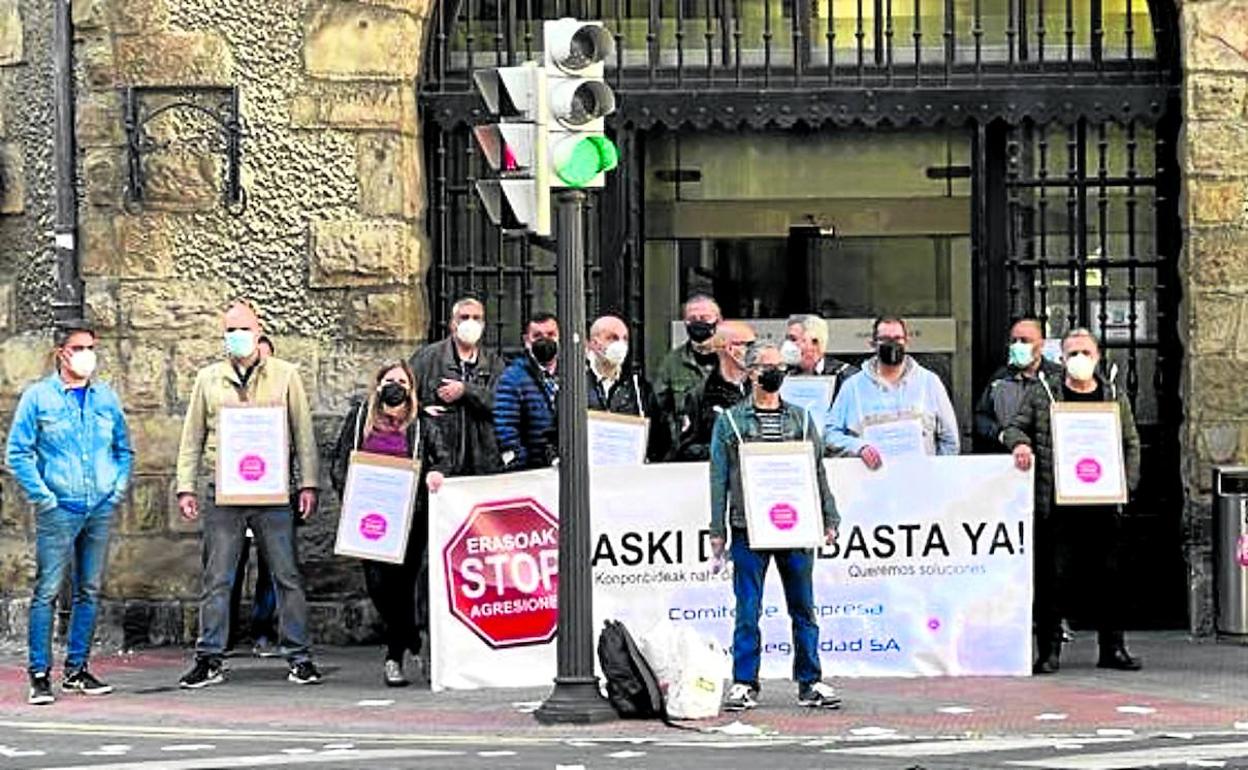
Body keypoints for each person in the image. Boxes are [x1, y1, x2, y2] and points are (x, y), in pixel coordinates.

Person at [175, 300, 323, 688]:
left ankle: (299, 656)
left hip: (273, 493)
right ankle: (209, 658)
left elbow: (303, 433)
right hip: (224, 493)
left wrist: (308, 483)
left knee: (286, 575)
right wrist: (185, 486)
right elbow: (192, 437)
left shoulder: (286, 375)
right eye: (230, 330)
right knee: (217, 578)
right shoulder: (208, 379)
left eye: (243, 329)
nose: (237, 336)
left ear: (258, 332)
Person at [707, 340, 842, 711]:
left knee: (804, 607)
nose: (776, 373)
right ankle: (744, 682)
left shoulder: (802, 418)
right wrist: (717, 531)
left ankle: (810, 681)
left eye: (781, 367)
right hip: (748, 526)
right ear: (752, 373)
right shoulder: (730, 421)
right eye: (769, 367)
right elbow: (718, 478)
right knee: (748, 608)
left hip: (797, 525)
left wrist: (829, 517)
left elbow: (816, 470)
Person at [6, 322, 134, 705]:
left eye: (91, 347)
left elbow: (124, 449)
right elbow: (18, 452)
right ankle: (39, 674)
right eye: (79, 348)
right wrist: (44, 497)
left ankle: (77, 669)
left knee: (89, 590)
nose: (87, 355)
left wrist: (116, 490)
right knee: (46, 591)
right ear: (61, 353)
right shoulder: (38, 398)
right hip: (59, 510)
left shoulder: (105, 398)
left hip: (99, 508)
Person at [1005, 328, 1142, 674]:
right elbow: (1014, 428)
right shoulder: (1043, 392)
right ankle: (1048, 652)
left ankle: (1113, 648)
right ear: (1062, 358)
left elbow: (1131, 442)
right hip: (1058, 506)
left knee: (1111, 579)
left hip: (1105, 503)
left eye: (1086, 352)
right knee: (1053, 579)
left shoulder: (1113, 394)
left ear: (1097, 356)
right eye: (1072, 353)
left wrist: (1126, 486)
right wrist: (1019, 444)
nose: (1080, 359)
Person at [331, 361, 452, 687]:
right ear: (378, 384)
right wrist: (349, 497)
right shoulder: (360, 417)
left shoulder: (422, 422)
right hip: (368, 517)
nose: (394, 385)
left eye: (401, 381)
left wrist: (436, 473)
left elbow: (443, 458)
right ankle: (413, 638)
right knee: (378, 586)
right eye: (389, 380)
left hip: (410, 517)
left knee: (402, 587)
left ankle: (394, 657)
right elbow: (340, 460)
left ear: (411, 388)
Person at [824, 316, 960, 467]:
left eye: (897, 338)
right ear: (873, 344)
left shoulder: (929, 382)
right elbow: (830, 434)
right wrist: (858, 447)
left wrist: (938, 472)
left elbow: (950, 440)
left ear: (906, 342)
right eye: (885, 339)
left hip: (920, 478)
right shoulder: (852, 387)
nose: (892, 344)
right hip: (869, 478)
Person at [228, 333, 281, 657]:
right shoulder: (229, 396)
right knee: (229, 567)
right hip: (235, 494)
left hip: (271, 494)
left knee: (270, 568)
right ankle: (225, 633)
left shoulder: (282, 393)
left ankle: (263, 631)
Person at [409, 297, 502, 476]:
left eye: (476, 318)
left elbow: (502, 404)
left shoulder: (493, 363)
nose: (470, 323)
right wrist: (421, 410)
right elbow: (405, 397)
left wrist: (466, 390)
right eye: (464, 317)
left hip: (483, 462)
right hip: (438, 462)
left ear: (483, 324)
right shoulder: (427, 358)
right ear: (453, 323)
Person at [585, 314, 669, 461]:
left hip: (629, 469)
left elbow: (659, 437)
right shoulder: (577, 385)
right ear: (594, 343)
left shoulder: (638, 388)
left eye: (625, 339)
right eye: (612, 338)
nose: (620, 344)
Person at [974, 317, 1063, 453]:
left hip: (1047, 456)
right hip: (1009, 455)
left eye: (1024, 341)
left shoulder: (1057, 376)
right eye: (1014, 341)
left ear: (1041, 344)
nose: (1017, 345)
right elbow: (981, 417)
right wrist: (1001, 434)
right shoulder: (1001, 378)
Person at [674, 320, 756, 461]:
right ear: (730, 349)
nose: (755, 352)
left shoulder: (762, 388)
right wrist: (727, 450)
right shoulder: (700, 395)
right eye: (749, 345)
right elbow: (686, 448)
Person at [655, 294, 722, 449]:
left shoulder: (730, 359)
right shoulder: (672, 362)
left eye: (704, 318)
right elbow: (660, 410)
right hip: (687, 449)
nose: (698, 323)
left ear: (718, 321)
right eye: (692, 319)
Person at [495, 312, 560, 470]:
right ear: (526, 340)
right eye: (537, 336)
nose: (545, 340)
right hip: (532, 469)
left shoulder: (573, 375)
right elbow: (505, 427)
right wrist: (521, 463)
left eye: (551, 334)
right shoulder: (513, 378)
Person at [782, 313, 859, 405]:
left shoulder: (848, 378)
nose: (788, 345)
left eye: (793, 339)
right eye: (787, 339)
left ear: (815, 342)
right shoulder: (784, 375)